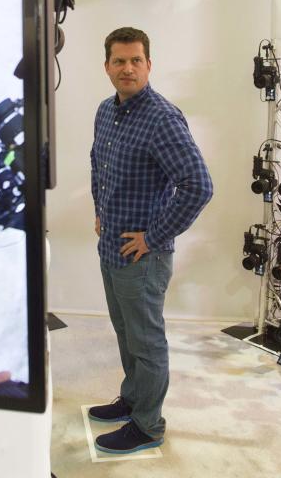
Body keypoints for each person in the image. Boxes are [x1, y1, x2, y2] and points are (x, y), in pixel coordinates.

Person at [89, 27, 213, 454]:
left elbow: (198, 185)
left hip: (143, 258)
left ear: (149, 65)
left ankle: (148, 425)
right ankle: (132, 399)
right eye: (119, 61)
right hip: (111, 248)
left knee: (146, 340)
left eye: (135, 60)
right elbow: (98, 164)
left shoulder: (162, 117)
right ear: (106, 66)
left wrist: (154, 237)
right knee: (126, 334)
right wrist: (100, 212)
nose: (127, 68)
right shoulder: (107, 111)